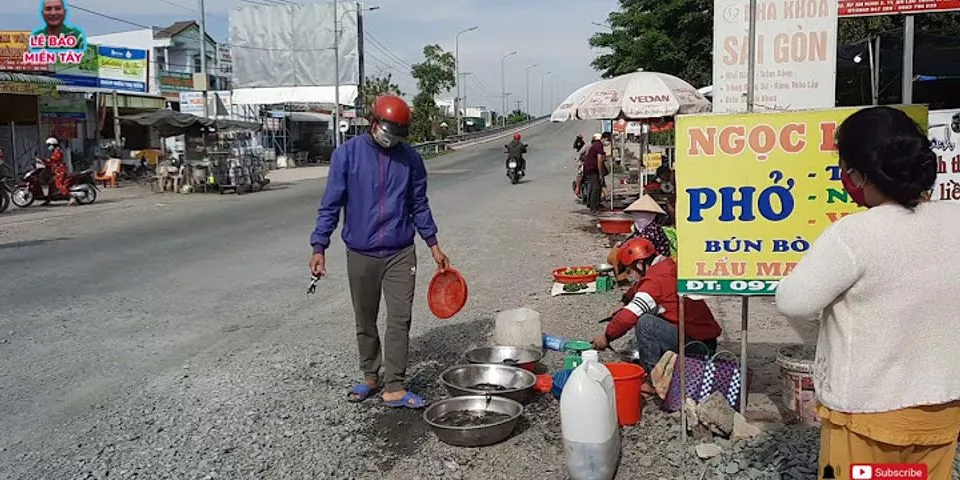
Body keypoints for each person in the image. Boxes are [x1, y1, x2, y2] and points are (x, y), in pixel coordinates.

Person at [775, 106, 960, 479]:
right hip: (943, 407)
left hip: (867, 413)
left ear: (861, 173)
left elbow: (793, 300)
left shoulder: (854, 235)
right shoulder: (954, 219)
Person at [309, 94, 452, 410]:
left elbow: (419, 204)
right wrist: (320, 246)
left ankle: (395, 387)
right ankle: (371, 376)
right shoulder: (347, 156)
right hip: (360, 252)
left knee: (400, 319)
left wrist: (434, 244)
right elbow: (330, 205)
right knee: (366, 319)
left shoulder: (411, 159)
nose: (392, 139)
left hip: (401, 252)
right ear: (373, 123)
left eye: (399, 134)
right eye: (389, 131)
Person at [591, 237, 721, 377]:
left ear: (640, 264)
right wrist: (624, 301)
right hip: (704, 339)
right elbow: (640, 287)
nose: (632, 275)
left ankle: (652, 379)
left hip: (697, 347)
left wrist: (606, 336)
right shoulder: (666, 266)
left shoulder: (654, 282)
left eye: (631, 270)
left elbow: (626, 318)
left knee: (645, 322)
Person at [607, 195, 672, 283]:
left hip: (656, 258)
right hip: (643, 256)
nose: (639, 217)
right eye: (638, 213)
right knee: (617, 250)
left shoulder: (653, 229)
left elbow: (644, 247)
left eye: (643, 214)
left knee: (623, 252)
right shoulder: (640, 228)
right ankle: (622, 278)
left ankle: (631, 279)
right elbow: (631, 241)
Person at [42, 137, 73, 205]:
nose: (48, 147)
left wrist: (46, 160)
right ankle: (48, 199)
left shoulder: (57, 151)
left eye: (49, 145)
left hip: (60, 171)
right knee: (50, 183)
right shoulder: (55, 151)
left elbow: (54, 160)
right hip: (56, 171)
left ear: (53, 144)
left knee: (58, 184)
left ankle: (70, 197)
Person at [582, 133, 605, 213]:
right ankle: (593, 207)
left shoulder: (594, 144)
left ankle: (595, 205)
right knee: (595, 188)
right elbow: (599, 160)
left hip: (589, 168)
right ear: (604, 138)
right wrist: (600, 174)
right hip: (592, 169)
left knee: (595, 187)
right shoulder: (599, 145)